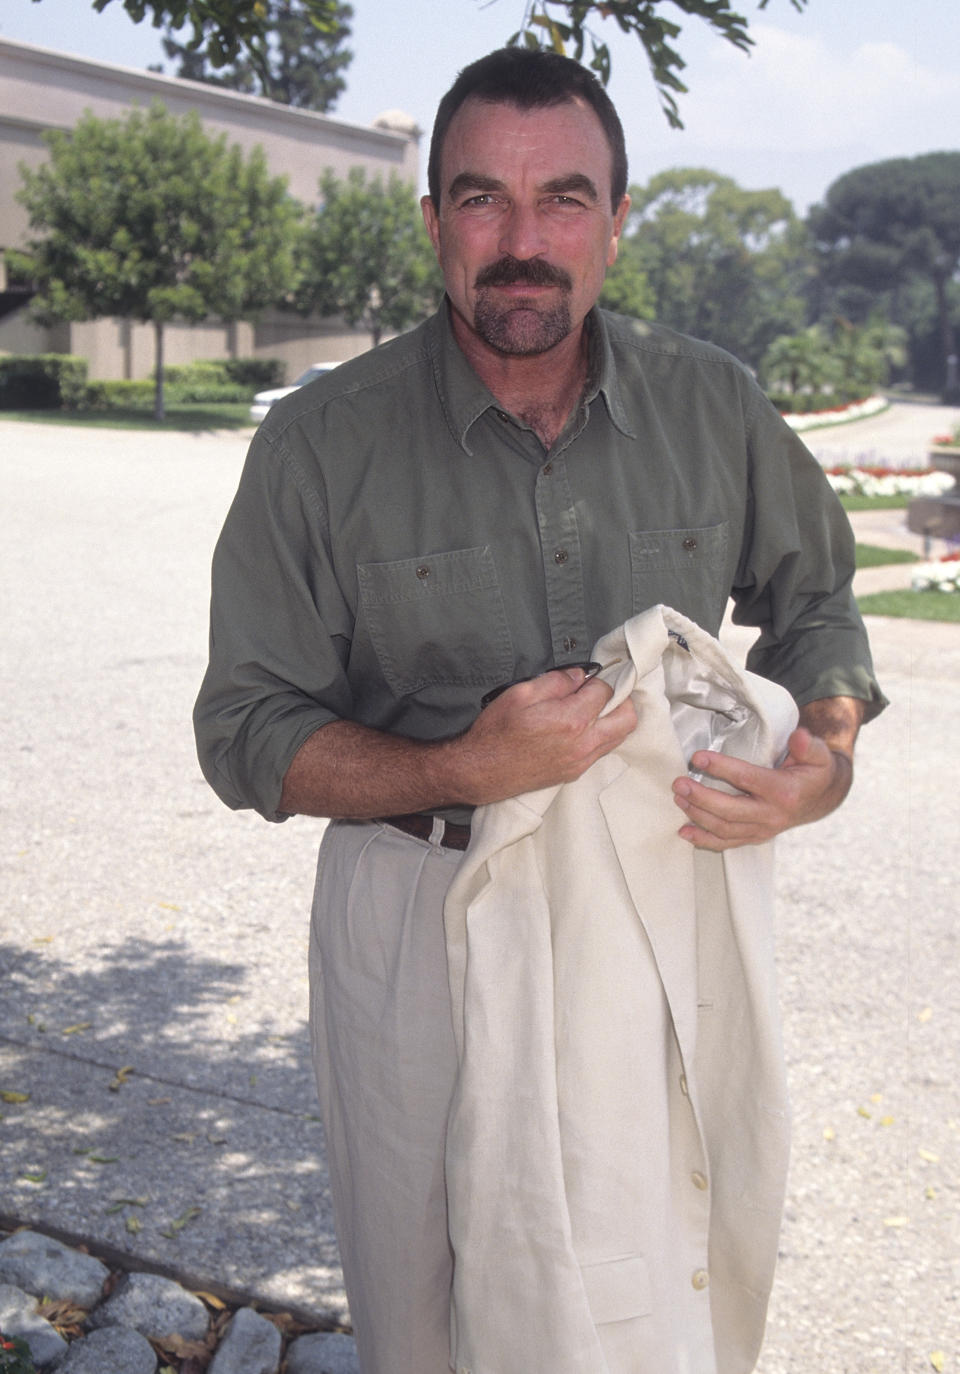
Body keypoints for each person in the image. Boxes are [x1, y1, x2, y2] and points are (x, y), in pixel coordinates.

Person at [194, 47, 885, 1374]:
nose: (523, 243)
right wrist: (463, 762)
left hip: (650, 905)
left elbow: (822, 608)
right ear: (432, 223)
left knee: (639, 1291)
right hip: (415, 923)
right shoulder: (320, 447)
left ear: (619, 221)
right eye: (480, 201)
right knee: (425, 1308)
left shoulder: (715, 407)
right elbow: (248, 729)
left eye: (564, 200)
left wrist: (825, 761)